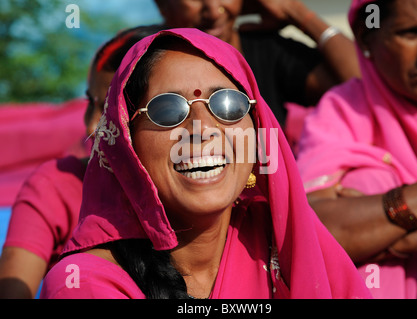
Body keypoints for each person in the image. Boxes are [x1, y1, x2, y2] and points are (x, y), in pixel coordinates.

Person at [40, 28, 371, 299]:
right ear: (128, 144)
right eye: (168, 110)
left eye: (227, 105)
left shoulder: (290, 245)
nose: (203, 129)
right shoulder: (86, 285)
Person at [296, 0, 417, 299]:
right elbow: (316, 230)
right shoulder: (344, 110)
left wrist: (392, 236)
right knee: (368, 180)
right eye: (411, 33)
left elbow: (352, 232)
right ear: (368, 38)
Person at [0, 26, 159, 299]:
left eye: (111, 105)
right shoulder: (56, 184)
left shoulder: (204, 192)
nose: (91, 124)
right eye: (90, 102)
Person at [153, 0, 361, 129]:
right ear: (162, 5)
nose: (214, 11)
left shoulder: (267, 50)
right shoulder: (143, 60)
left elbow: (361, 87)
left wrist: (296, 12)